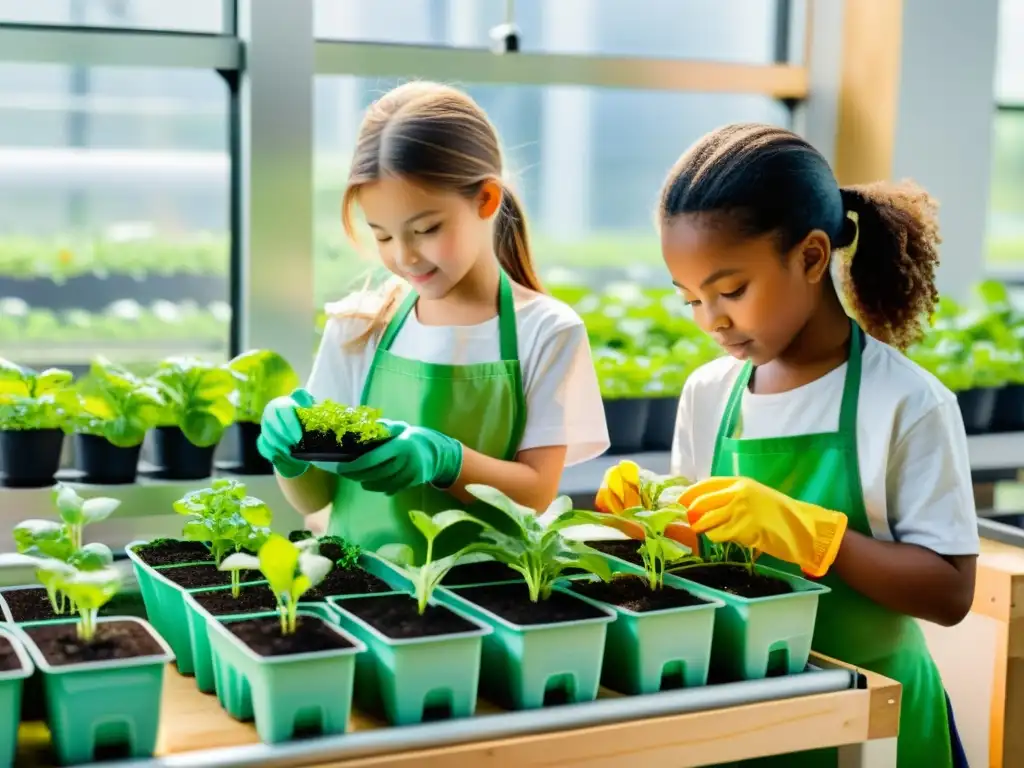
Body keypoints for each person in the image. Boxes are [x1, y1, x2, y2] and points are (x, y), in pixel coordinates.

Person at [599, 124, 975, 767]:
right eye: (691, 298)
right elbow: (700, 554)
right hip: (748, 717)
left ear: (810, 256)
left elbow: (950, 593)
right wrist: (651, 523)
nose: (710, 321)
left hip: (872, 723)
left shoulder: (907, 402)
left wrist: (812, 535)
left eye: (731, 291)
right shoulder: (710, 392)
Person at [255, 81, 609, 559]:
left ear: (486, 199)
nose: (404, 257)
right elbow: (315, 499)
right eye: (382, 236)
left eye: (425, 230)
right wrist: (290, 455)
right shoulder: (359, 325)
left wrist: (446, 460)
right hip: (363, 588)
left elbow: (535, 493)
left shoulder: (547, 330)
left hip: (488, 595)